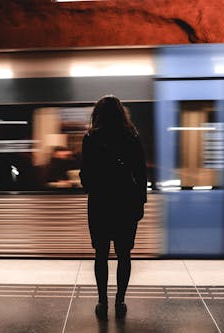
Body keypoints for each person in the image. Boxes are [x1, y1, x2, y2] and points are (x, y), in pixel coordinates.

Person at [79, 95, 147, 320]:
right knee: (124, 254)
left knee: (101, 254)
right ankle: (120, 300)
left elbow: (85, 177)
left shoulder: (91, 138)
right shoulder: (132, 137)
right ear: (121, 114)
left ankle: (102, 301)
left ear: (97, 114)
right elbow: (141, 173)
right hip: (126, 204)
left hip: (100, 204)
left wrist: (95, 185)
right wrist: (140, 204)